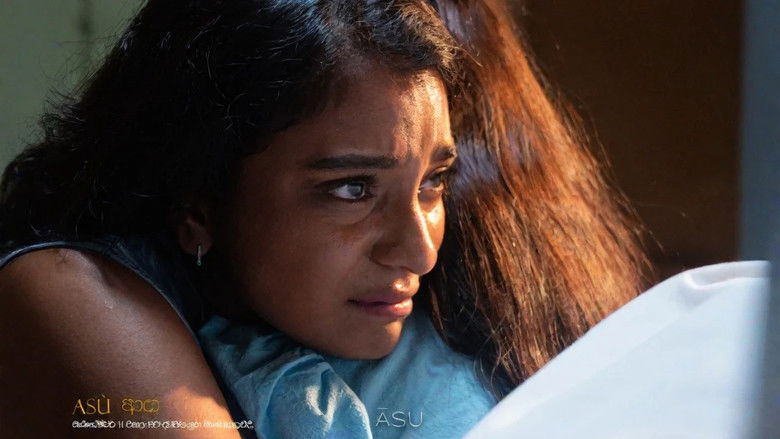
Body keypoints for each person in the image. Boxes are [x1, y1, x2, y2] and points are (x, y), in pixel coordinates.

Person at [0, 0, 650, 437]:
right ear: (196, 205)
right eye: (352, 189)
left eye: (433, 182)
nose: (419, 251)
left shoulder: (449, 314)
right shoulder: (73, 290)